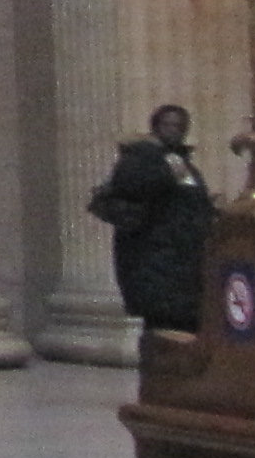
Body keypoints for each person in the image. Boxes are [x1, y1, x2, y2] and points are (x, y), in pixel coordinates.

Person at [86, 102, 216, 333]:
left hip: (183, 263)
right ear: (155, 127)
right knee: (164, 328)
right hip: (155, 261)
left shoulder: (180, 162)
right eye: (168, 124)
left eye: (180, 126)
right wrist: (164, 172)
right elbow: (132, 186)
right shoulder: (140, 158)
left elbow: (188, 203)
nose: (174, 130)